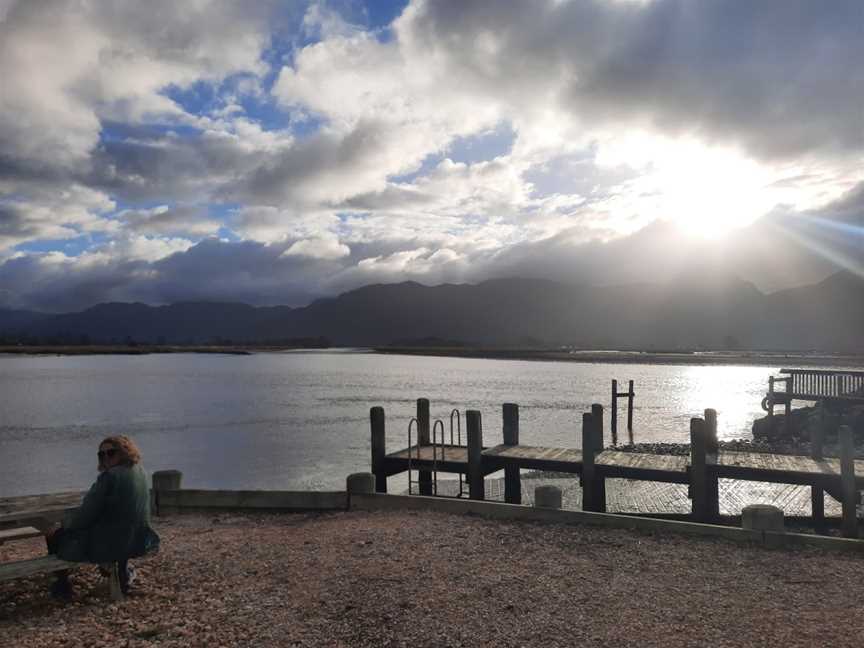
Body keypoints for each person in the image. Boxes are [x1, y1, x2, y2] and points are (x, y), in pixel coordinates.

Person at [43, 436, 160, 598]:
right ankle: (122, 575)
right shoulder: (139, 471)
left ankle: (62, 586)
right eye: (101, 454)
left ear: (124, 452)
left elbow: (84, 516)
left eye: (111, 453)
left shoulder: (109, 477)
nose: (105, 457)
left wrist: (63, 524)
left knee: (53, 534)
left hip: (111, 544)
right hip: (137, 539)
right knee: (116, 526)